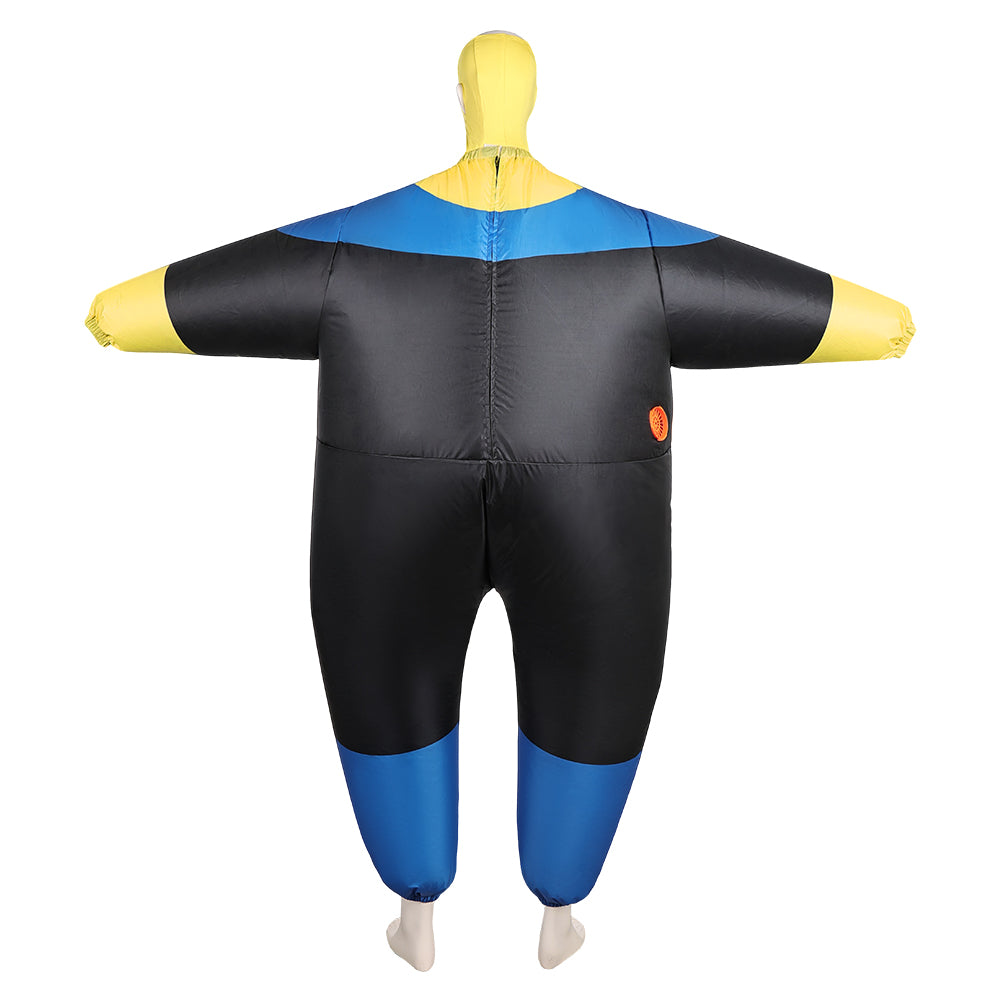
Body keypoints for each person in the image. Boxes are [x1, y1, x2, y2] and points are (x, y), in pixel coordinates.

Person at [84, 30, 914, 971]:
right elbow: (794, 303)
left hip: (386, 496)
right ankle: (560, 907)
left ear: (462, 98)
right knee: (595, 682)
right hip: (594, 501)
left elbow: (187, 296)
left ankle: (416, 908)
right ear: (532, 99)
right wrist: (883, 324)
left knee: (384, 678)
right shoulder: (640, 244)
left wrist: (118, 314)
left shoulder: (353, 240)